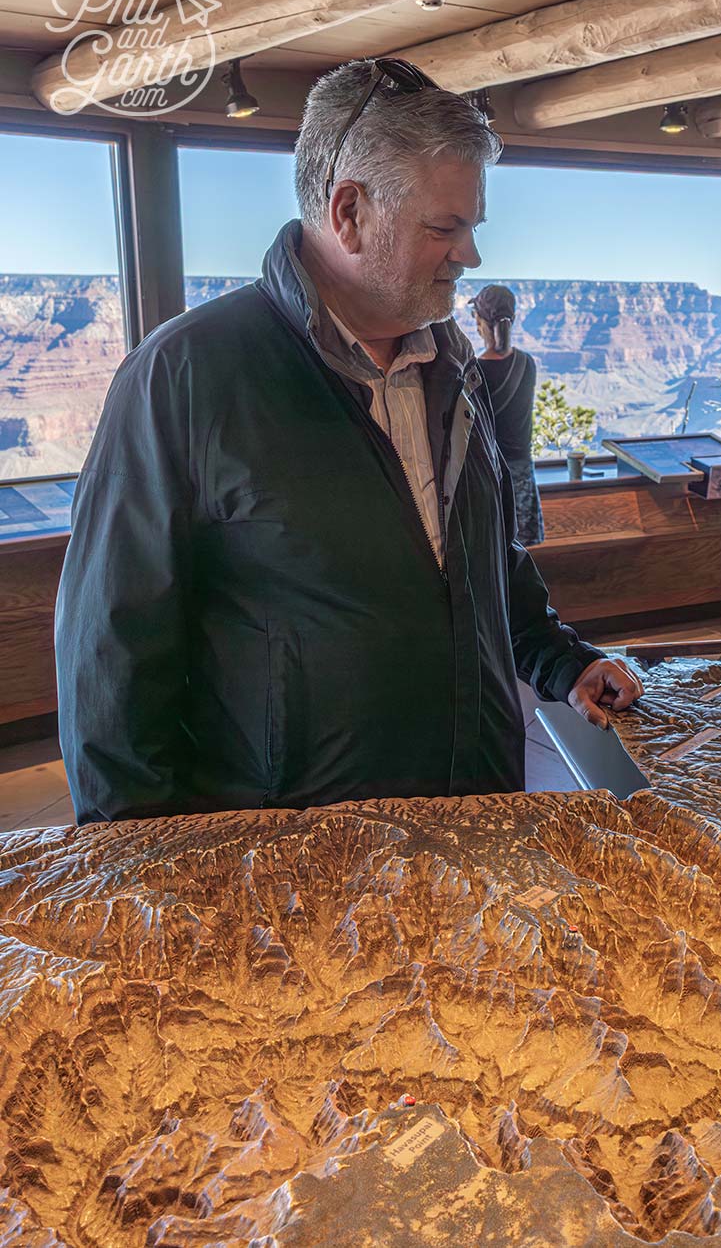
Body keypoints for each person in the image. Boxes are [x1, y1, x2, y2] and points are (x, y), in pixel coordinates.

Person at [55, 56, 640, 825]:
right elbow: (112, 662)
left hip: (481, 821)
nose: (471, 254)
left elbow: (482, 560)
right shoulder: (186, 375)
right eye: (445, 227)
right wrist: (147, 875)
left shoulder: (452, 361)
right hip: (296, 867)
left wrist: (562, 660)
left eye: (472, 226)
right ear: (349, 211)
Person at [471, 283, 544, 547]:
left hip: (490, 478)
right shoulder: (527, 363)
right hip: (522, 476)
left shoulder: (474, 371)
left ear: (480, 321)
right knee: (523, 555)